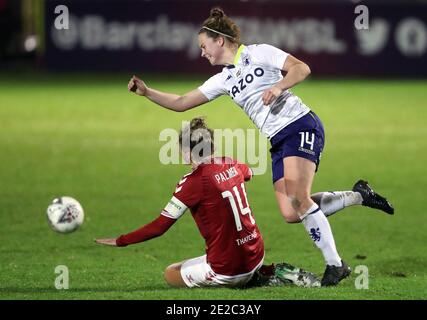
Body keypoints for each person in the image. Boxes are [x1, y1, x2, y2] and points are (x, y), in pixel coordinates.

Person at [126, 8, 394, 286]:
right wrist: (147, 93)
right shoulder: (223, 80)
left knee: (299, 199)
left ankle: (335, 265)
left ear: (220, 40)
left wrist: (278, 86)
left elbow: (302, 68)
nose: (202, 52)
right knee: (291, 212)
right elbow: (182, 102)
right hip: (277, 139)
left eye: (204, 46)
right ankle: (359, 196)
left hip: (299, 125)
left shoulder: (259, 52)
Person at [95, 117, 320, 288]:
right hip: (256, 252)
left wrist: (121, 240)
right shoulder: (232, 164)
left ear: (186, 152)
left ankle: (260, 278)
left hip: (229, 268)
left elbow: (160, 227)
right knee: (204, 257)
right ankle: (262, 271)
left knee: (170, 273)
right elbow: (248, 172)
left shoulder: (192, 183)